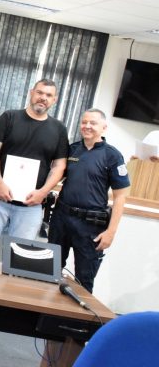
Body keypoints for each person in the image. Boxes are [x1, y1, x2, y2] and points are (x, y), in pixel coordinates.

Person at [0, 78, 69, 260]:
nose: (43, 98)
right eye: (39, 92)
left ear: (54, 100)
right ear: (31, 93)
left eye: (48, 95)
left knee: (18, 258)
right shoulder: (9, 117)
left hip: (31, 204)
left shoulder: (59, 129)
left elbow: (59, 166)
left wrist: (43, 192)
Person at [49, 109, 130, 293]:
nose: (87, 126)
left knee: (84, 281)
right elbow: (56, 174)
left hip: (90, 226)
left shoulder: (112, 156)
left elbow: (120, 197)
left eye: (93, 123)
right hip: (61, 219)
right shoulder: (72, 149)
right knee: (50, 272)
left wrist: (111, 232)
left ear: (104, 127)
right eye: (84, 122)